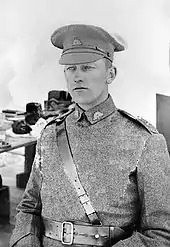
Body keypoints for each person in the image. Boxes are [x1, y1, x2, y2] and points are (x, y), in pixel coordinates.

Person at [10, 24, 170, 247]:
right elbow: (28, 208)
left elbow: (161, 233)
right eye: (71, 69)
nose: (77, 77)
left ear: (110, 74)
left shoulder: (144, 140)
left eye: (87, 68)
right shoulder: (49, 134)